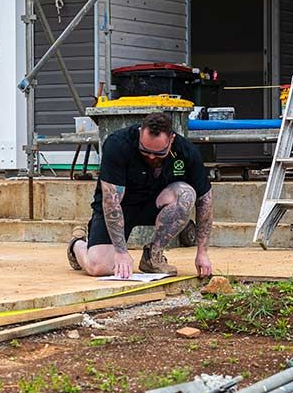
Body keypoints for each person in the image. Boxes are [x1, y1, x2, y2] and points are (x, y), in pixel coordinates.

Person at [67, 111, 213, 279]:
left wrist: (202, 252)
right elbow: (111, 202)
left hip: (155, 205)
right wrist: (121, 252)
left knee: (186, 194)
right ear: (140, 134)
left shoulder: (186, 151)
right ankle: (77, 244)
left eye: (159, 153)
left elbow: (205, 201)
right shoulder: (118, 144)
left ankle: (153, 255)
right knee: (99, 267)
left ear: (171, 140)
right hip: (119, 208)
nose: (151, 156)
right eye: (145, 150)